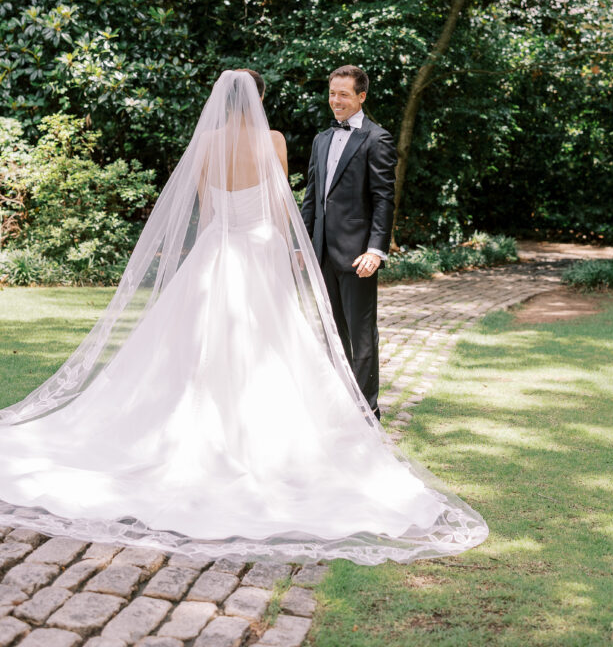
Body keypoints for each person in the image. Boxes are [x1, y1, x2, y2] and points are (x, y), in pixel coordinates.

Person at [0, 70, 487, 564]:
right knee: (273, 342)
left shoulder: (207, 143)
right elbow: (280, 206)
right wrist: (284, 247)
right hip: (258, 247)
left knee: (195, 344)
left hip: (217, 249)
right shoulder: (273, 141)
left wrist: (219, 241)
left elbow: (208, 209)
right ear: (257, 100)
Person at [301, 66, 396, 421]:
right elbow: (312, 197)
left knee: (361, 333)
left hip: (358, 255)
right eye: (332, 93)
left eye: (343, 94)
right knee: (332, 332)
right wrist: (302, 245)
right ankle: (340, 402)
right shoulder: (321, 139)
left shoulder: (377, 139)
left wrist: (375, 250)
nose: (336, 100)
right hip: (322, 252)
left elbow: (384, 199)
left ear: (361, 96)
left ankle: (367, 410)